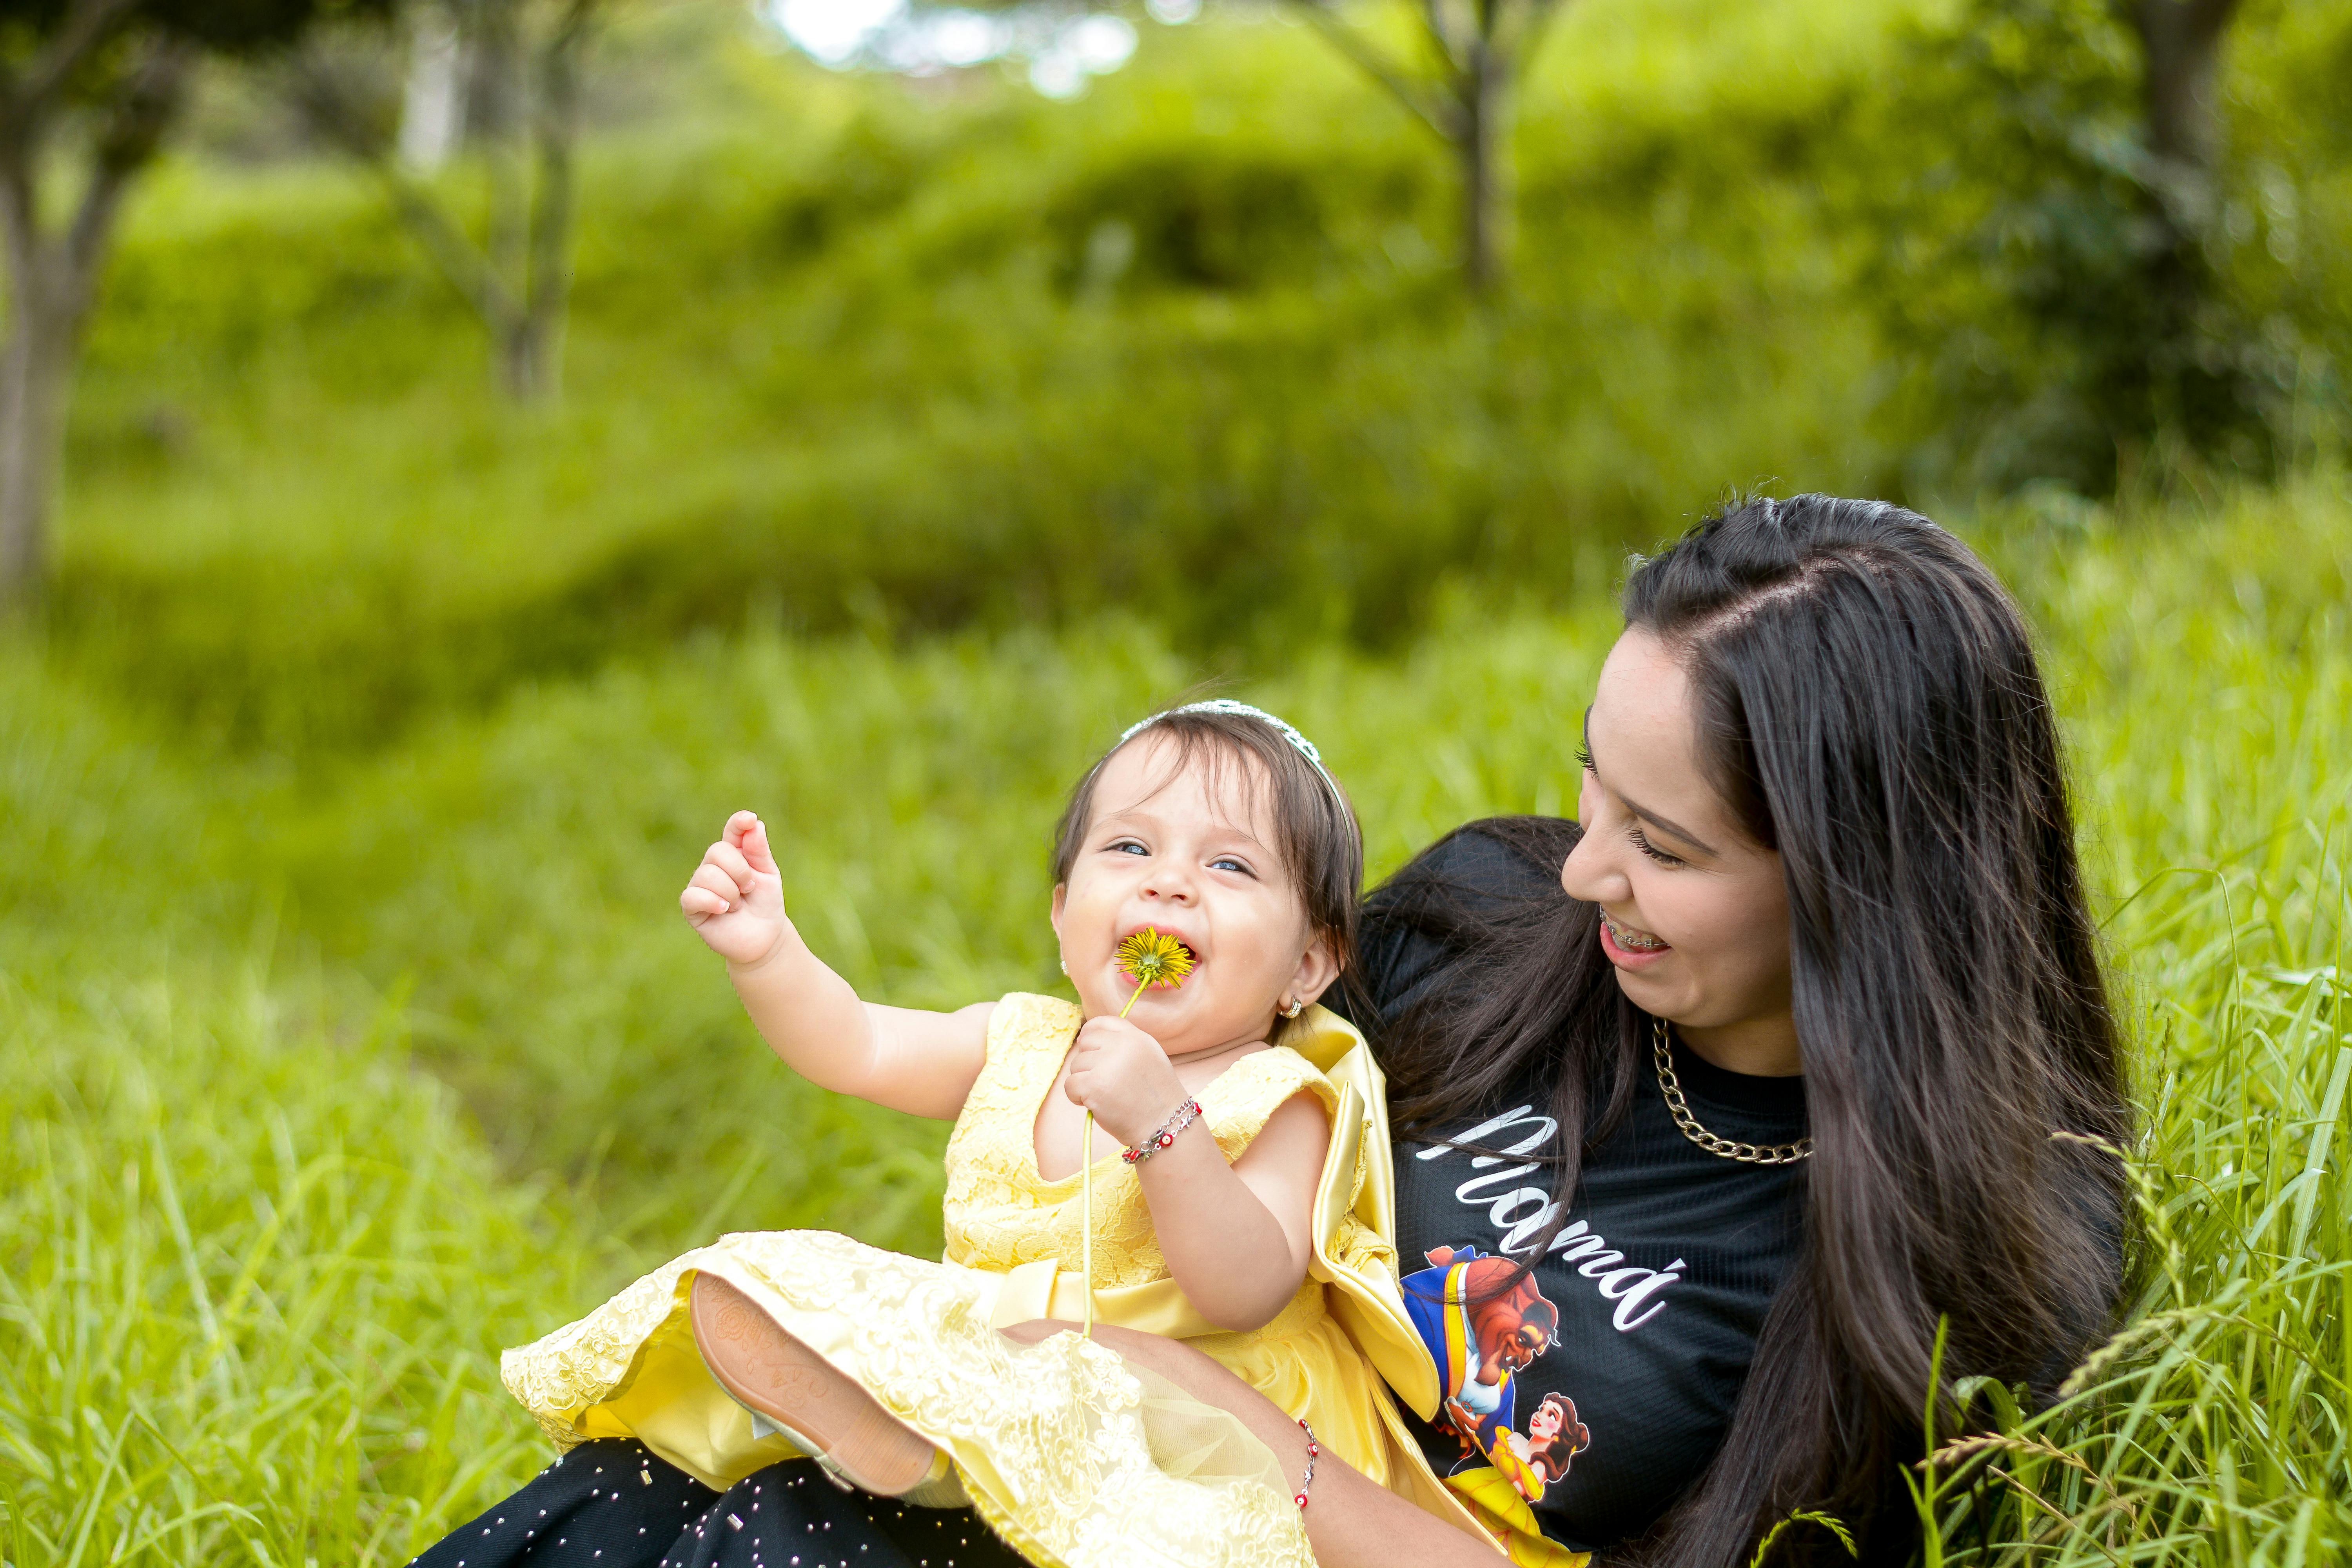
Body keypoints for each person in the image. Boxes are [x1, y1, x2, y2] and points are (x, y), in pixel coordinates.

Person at [414, 495, 2131, 1568]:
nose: (1587, 867)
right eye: (1598, 791)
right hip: (1122, 1463)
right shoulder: (1493, 926)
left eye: (1666, 848)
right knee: (643, 1495)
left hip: (1289, 1527)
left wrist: (1234, 1433)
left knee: (790, 1545)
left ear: (1861, 881)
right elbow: (1223, 1042)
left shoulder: (1933, 1271)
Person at [419, 699, 1472, 1568]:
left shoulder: (1276, 1094)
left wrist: (1167, 1127)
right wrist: (768, 953)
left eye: (1232, 869)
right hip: (1008, 1373)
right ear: (1065, 918)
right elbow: (860, 1045)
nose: (1170, 880)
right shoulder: (1021, 1042)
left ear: (1308, 966)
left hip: (1181, 1437)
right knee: (813, 1278)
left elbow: (1245, 1281)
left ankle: (902, 1427)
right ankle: (888, 1417)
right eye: (1131, 847)